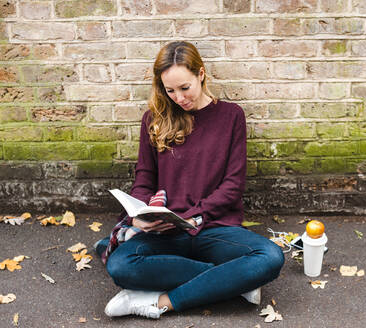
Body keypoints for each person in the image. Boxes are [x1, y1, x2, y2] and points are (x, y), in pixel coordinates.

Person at [94, 41, 285, 319]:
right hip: (166, 231)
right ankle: (234, 283)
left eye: (185, 88)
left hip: (214, 228)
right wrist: (138, 216)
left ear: (201, 74)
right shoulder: (154, 119)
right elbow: (144, 180)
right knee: (121, 266)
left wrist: (194, 216)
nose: (179, 97)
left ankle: (160, 301)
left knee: (270, 258)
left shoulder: (231, 116)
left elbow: (232, 186)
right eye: (170, 90)